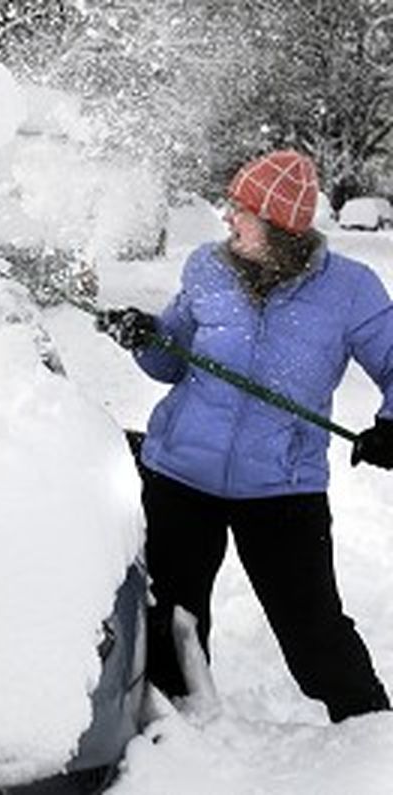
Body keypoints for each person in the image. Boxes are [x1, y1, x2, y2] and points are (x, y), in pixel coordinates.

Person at [96, 149, 393, 722]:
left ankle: (373, 738)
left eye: (242, 210)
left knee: (314, 633)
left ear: (279, 226)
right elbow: (172, 359)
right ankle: (175, 740)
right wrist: (143, 335)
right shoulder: (207, 268)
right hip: (181, 473)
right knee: (170, 625)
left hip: (281, 488)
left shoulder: (350, 291)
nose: (228, 218)